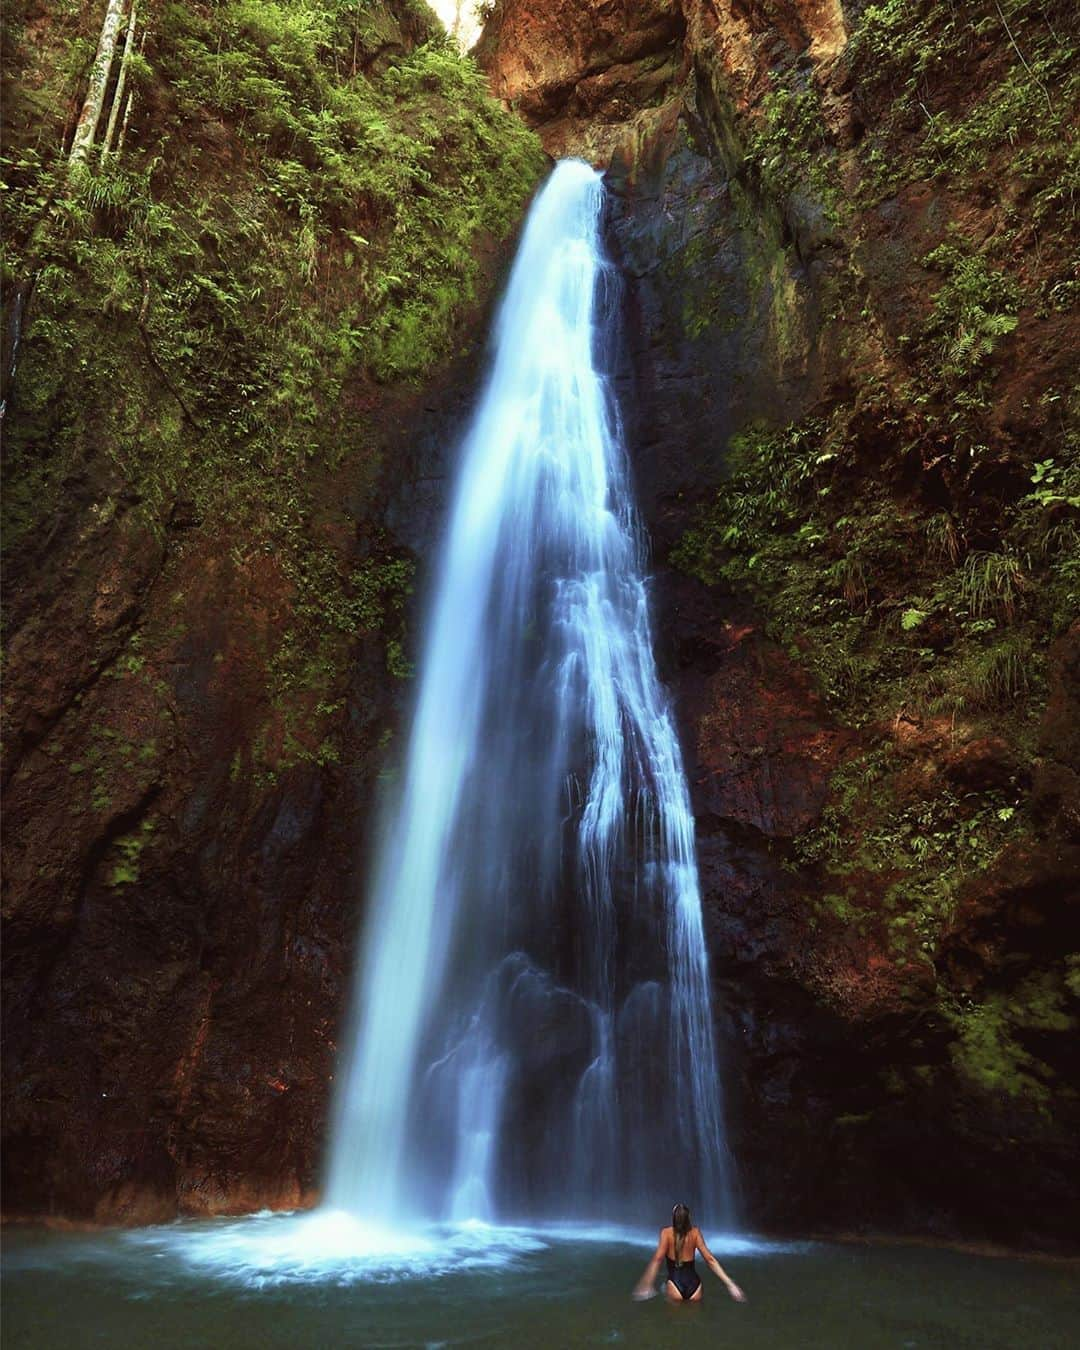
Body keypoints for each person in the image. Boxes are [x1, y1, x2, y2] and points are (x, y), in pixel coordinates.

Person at [632, 1203, 746, 1304]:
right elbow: (710, 1260)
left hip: (674, 1284)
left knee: (675, 1322)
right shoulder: (695, 1233)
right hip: (695, 1285)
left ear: (673, 1218)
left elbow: (657, 1259)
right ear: (688, 1218)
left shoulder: (666, 1233)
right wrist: (730, 1284)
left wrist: (647, 1283)